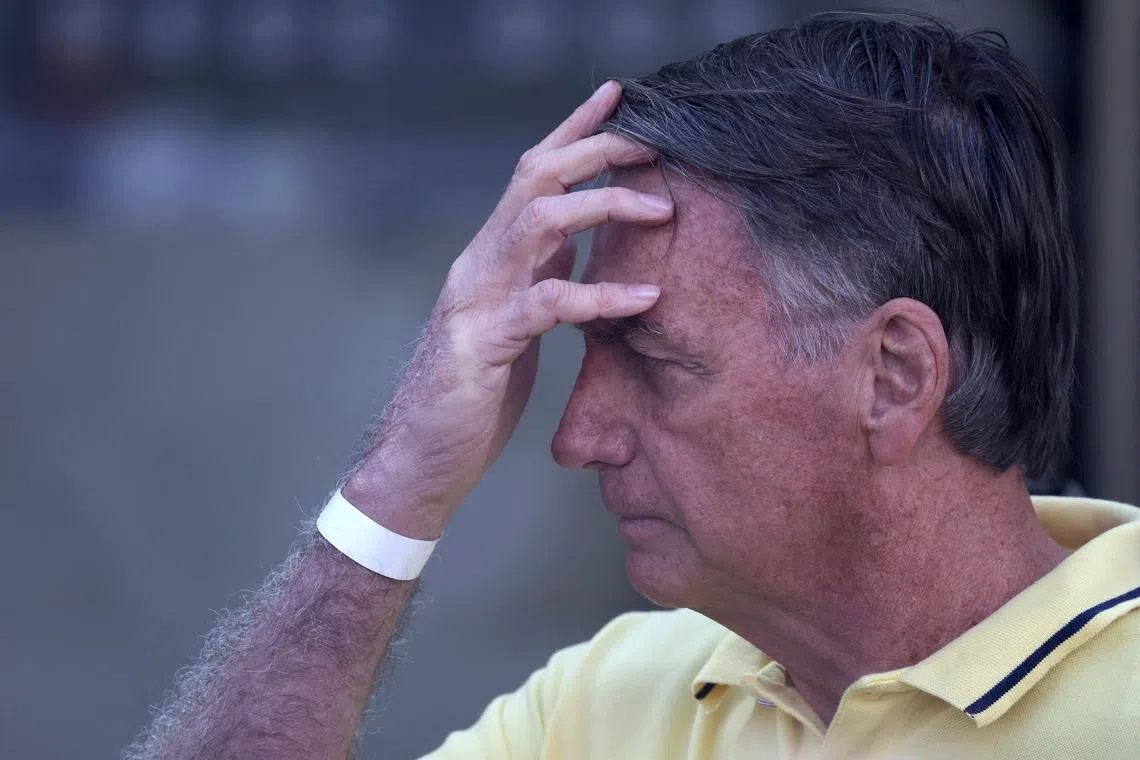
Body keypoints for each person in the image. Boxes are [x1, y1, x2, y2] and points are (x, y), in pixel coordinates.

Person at [124, 12, 1140, 760]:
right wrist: (396, 486)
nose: (578, 438)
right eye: (586, 355)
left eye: (653, 361)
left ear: (893, 376)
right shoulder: (611, 700)